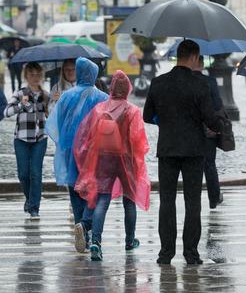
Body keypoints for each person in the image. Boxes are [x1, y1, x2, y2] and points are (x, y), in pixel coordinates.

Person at [143, 39, 224, 265]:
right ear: (194, 57)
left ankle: (165, 253)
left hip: (167, 149)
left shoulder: (159, 83)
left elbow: (147, 116)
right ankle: (191, 253)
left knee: (167, 201)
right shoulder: (201, 85)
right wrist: (217, 122)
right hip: (194, 150)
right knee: (192, 202)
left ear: (177, 56)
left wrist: (166, 121)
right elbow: (211, 120)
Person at [73, 70, 150, 261]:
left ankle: (95, 242)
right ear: (128, 89)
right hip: (126, 159)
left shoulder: (100, 109)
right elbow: (138, 140)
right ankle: (129, 240)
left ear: (111, 87)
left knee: (102, 199)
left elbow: (86, 135)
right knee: (129, 200)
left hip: (103, 158)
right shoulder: (132, 110)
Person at [46, 57, 108, 253]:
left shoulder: (66, 96)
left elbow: (54, 124)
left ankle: (82, 229)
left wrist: (63, 144)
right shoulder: (102, 98)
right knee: (94, 192)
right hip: (93, 152)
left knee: (74, 190)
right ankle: (85, 225)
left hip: (69, 151)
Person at [4, 62, 49, 219]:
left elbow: (52, 115)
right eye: (32, 74)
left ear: (41, 76)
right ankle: (29, 199)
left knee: (36, 173)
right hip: (21, 139)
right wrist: (20, 105)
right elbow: (7, 112)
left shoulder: (46, 95)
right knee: (23, 173)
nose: (35, 77)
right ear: (26, 76)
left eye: (38, 74)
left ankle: (34, 207)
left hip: (40, 139)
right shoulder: (19, 93)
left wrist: (55, 103)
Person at [192, 56, 224, 209]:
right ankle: (214, 197)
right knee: (209, 164)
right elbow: (218, 105)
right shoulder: (210, 81)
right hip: (208, 129)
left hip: (190, 129)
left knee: (193, 166)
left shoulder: (186, 81)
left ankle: (194, 200)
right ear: (203, 64)